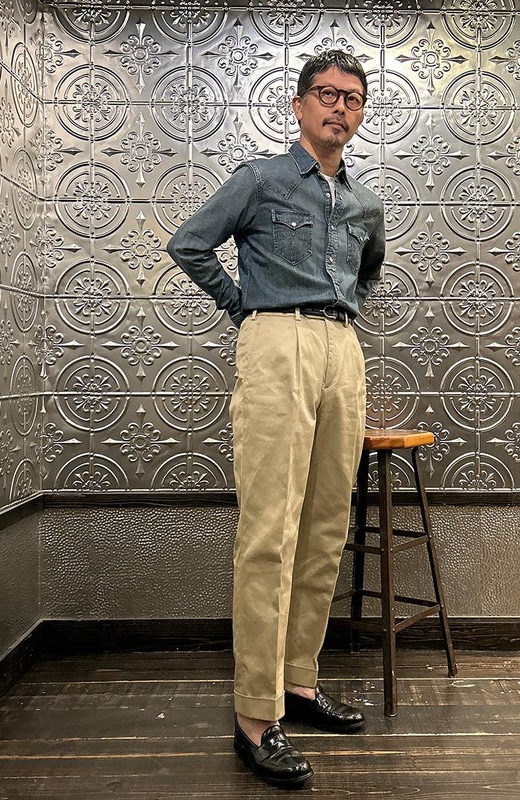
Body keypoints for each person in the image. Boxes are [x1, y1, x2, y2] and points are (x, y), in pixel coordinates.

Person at [167, 50, 386, 788]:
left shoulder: (365, 205)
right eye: (326, 94)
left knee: (325, 528)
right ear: (299, 105)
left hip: (342, 349)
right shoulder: (260, 179)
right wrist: (246, 310)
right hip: (275, 342)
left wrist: (337, 323)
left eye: (352, 98)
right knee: (270, 531)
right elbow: (189, 244)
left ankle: (299, 683)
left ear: (361, 113)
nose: (339, 107)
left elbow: (367, 273)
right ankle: (255, 718)